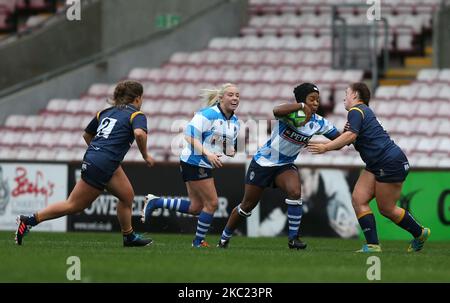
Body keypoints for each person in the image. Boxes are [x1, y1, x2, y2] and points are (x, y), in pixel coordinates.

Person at [15, 80, 155, 247]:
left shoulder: (105, 112)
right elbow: (139, 134)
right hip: (104, 161)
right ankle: (29, 220)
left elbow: (87, 135)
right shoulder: (136, 115)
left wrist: (100, 153)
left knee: (127, 196)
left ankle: (129, 236)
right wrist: (145, 155)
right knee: (74, 205)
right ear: (138, 98)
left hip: (97, 158)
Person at [308, 82, 430, 252]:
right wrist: (335, 140)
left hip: (388, 162)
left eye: (346, 93)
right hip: (377, 163)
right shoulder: (361, 113)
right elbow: (349, 138)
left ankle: (420, 232)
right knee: (358, 200)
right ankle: (373, 245)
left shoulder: (356, 111)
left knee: (387, 209)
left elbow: (350, 136)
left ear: (355, 95)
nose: (344, 97)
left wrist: (326, 147)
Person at [218, 83, 340, 250]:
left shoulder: (319, 123)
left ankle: (293, 239)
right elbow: (276, 111)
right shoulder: (291, 115)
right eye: (311, 99)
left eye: (318, 100)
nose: (316, 103)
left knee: (295, 192)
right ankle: (224, 238)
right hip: (263, 163)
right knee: (247, 206)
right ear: (302, 101)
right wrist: (301, 107)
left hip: (284, 165)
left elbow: (338, 140)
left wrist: (350, 134)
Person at [141, 83, 240, 248]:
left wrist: (229, 150)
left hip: (201, 163)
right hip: (194, 161)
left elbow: (230, 148)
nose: (235, 98)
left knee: (195, 207)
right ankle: (198, 242)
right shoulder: (208, 114)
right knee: (212, 204)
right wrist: (208, 153)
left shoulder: (235, 121)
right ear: (221, 97)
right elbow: (189, 137)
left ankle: (156, 202)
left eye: (237, 95)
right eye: (230, 94)